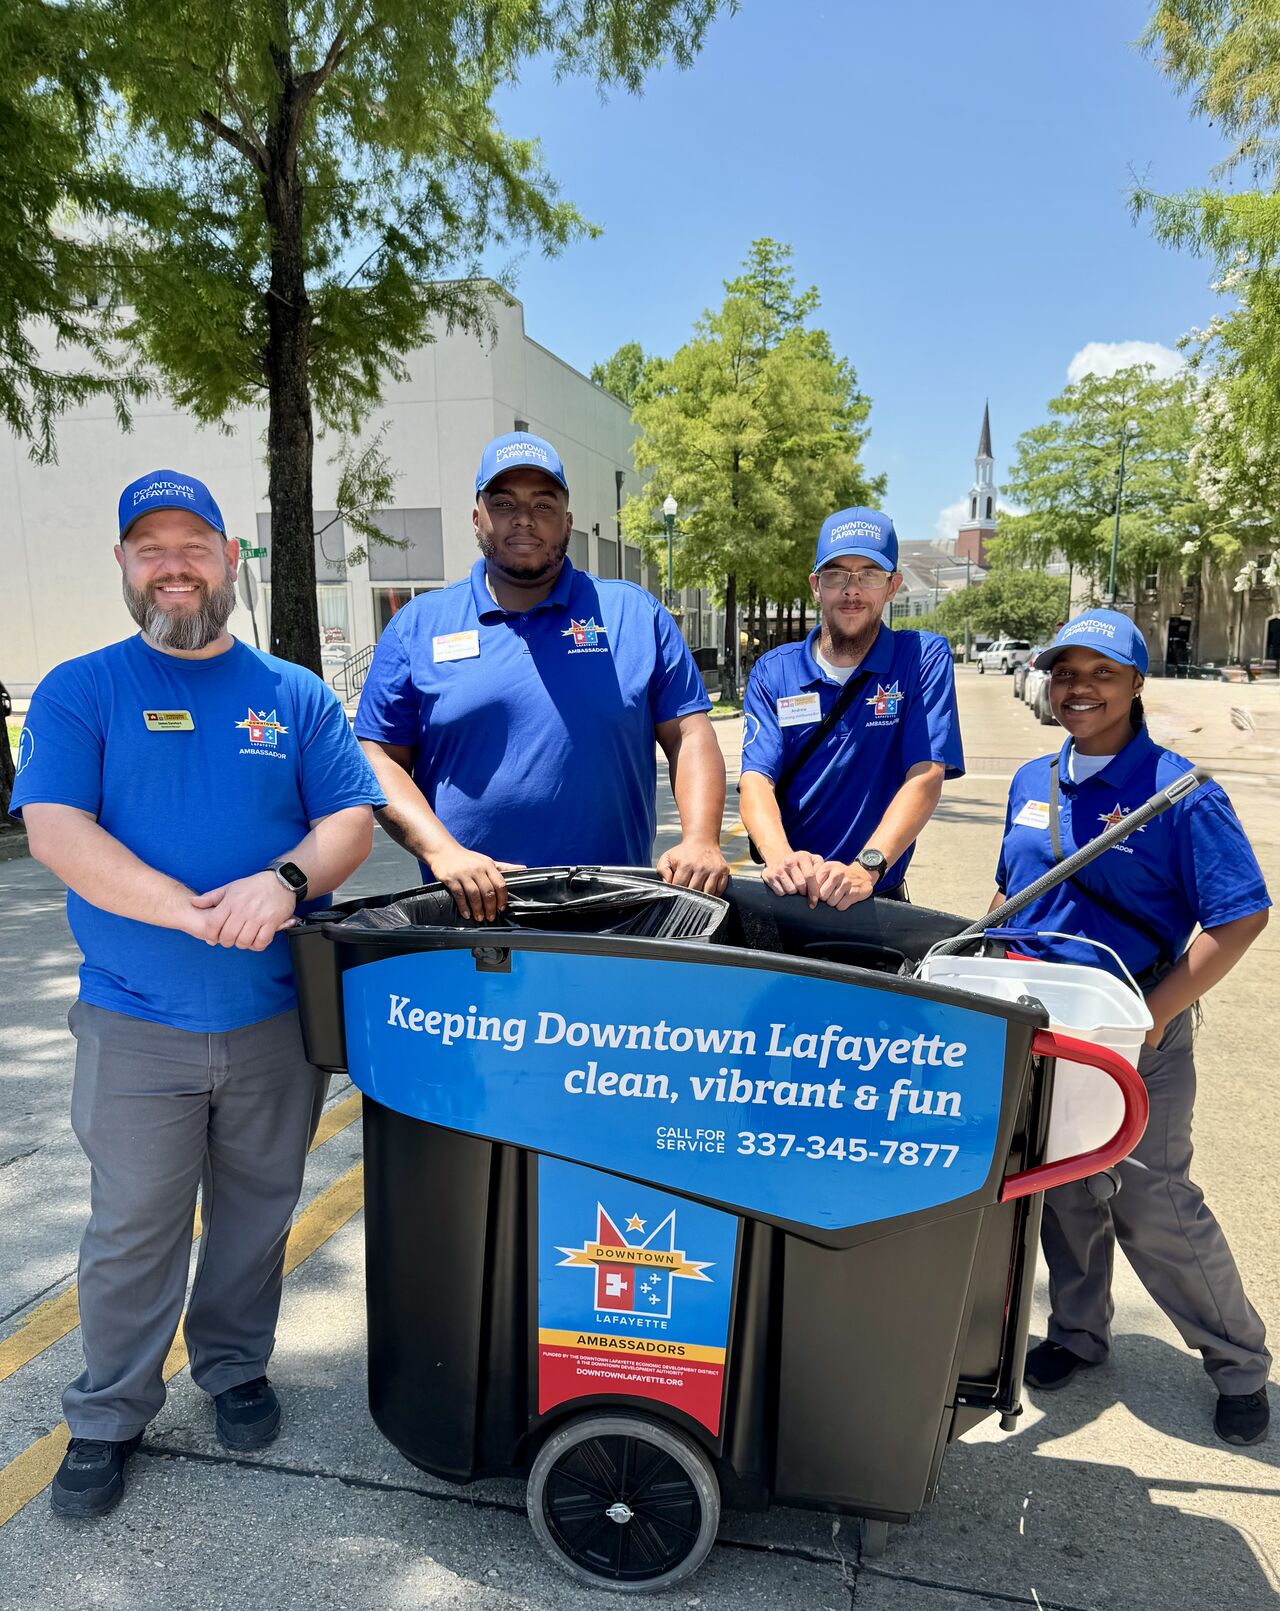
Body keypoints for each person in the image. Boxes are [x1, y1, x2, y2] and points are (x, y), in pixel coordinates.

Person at [10, 469, 384, 1516]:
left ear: (229, 558)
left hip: (273, 1019)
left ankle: (232, 1367)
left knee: (257, 1215)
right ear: (123, 565)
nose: (173, 567)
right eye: (150, 549)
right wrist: (183, 909)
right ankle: (108, 1411)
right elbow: (55, 830)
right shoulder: (83, 689)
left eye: (193, 546)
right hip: (136, 1019)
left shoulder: (293, 694)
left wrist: (284, 881)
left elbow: (349, 820)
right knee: (135, 1225)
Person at [991, 610, 1271, 1445]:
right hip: (1042, 1025)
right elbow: (1011, 895)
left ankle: (1239, 1361)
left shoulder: (1180, 793)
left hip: (1135, 1027)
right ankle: (1079, 1331)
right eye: (1065, 672)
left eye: (1102, 673)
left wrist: (1155, 1015)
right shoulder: (1032, 780)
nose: (1079, 688)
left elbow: (1241, 915)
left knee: (1154, 1201)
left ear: (1137, 683)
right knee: (1063, 1189)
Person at [355, 432, 729, 916]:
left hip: (613, 911)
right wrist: (442, 852)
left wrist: (700, 838)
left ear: (567, 521)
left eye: (543, 504)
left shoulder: (634, 615)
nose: (524, 518)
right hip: (468, 918)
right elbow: (379, 757)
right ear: (477, 517)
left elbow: (689, 734)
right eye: (503, 503)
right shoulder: (418, 627)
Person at [739, 506, 962, 907]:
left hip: (875, 897)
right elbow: (756, 779)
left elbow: (926, 774)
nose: (852, 590)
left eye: (869, 575)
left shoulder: (920, 658)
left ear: (892, 586)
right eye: (837, 574)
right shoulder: (774, 671)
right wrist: (781, 858)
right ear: (816, 585)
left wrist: (865, 868)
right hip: (791, 897)